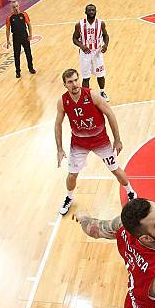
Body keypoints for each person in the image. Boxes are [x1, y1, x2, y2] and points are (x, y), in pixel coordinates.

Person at [55, 68, 136, 215]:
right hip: (79, 143)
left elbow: (110, 114)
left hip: (100, 140)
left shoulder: (92, 95)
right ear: (65, 84)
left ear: (79, 79)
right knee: (72, 174)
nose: (74, 84)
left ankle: (130, 192)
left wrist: (117, 140)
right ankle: (69, 197)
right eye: (70, 82)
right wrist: (59, 148)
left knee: (115, 170)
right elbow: (57, 124)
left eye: (75, 80)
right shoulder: (62, 101)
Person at [72, 4, 111, 101]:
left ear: (96, 11)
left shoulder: (101, 23)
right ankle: (86, 96)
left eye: (93, 10)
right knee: (86, 76)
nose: (91, 12)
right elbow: (74, 38)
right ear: (85, 12)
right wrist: (82, 46)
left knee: (100, 74)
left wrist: (105, 45)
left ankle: (102, 92)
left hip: (97, 52)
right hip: (85, 53)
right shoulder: (79, 24)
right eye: (89, 10)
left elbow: (106, 36)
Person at [5, 1, 36, 78]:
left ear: (19, 6)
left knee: (28, 53)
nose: (15, 8)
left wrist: (30, 35)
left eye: (16, 6)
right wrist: (8, 40)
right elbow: (8, 29)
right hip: (16, 38)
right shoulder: (9, 17)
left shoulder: (24, 14)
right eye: (14, 7)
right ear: (11, 8)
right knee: (16, 56)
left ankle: (31, 68)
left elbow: (29, 25)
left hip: (24, 36)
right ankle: (18, 72)